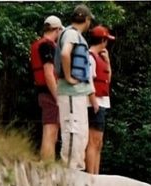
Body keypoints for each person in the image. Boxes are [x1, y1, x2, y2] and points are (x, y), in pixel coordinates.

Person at [54, 4, 96, 171]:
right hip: (71, 93)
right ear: (85, 19)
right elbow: (65, 53)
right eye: (89, 20)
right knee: (73, 131)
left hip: (78, 94)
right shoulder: (71, 33)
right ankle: (69, 169)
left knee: (81, 133)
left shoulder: (74, 34)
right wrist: (69, 76)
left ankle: (77, 168)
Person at [30, 15, 63, 161]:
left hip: (43, 92)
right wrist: (57, 97)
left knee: (52, 132)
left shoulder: (40, 44)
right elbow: (49, 73)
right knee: (50, 131)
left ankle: (47, 166)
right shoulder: (47, 45)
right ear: (57, 30)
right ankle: (47, 168)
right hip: (50, 93)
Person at [85, 25, 115, 175]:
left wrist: (108, 62)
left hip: (102, 101)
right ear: (103, 40)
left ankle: (96, 174)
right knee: (93, 140)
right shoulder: (90, 57)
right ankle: (91, 174)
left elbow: (107, 80)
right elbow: (88, 79)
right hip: (94, 103)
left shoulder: (101, 58)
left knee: (99, 142)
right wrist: (93, 101)